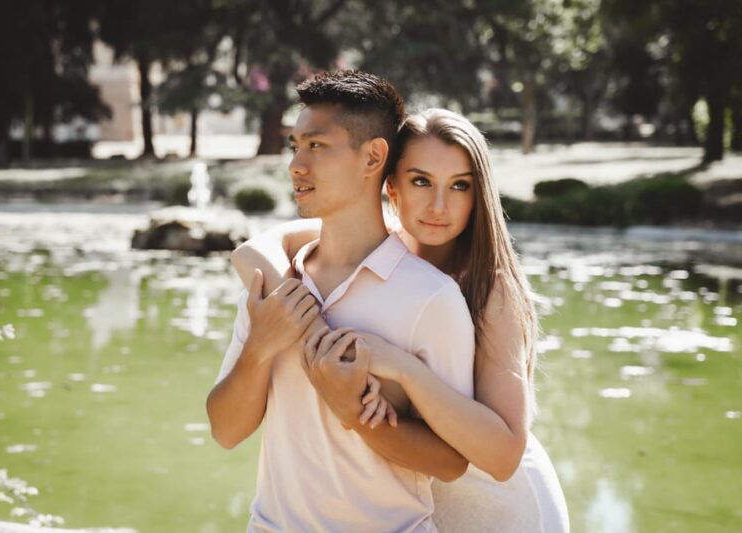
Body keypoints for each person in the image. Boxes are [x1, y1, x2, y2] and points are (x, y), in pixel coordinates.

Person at [231, 108, 570, 532]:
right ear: (392, 185)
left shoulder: (491, 287)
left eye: (460, 185)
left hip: (498, 509)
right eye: (421, 181)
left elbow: (503, 458)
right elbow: (252, 253)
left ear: (478, 194)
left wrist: (402, 368)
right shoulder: (382, 246)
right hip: (419, 502)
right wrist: (320, 340)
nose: (439, 206)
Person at [206, 71, 479, 531]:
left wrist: (354, 413)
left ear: (373, 157)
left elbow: (451, 462)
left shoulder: (432, 297)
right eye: (295, 146)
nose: (296, 165)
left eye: (317, 146)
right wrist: (260, 347)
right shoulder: (276, 284)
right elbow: (225, 431)